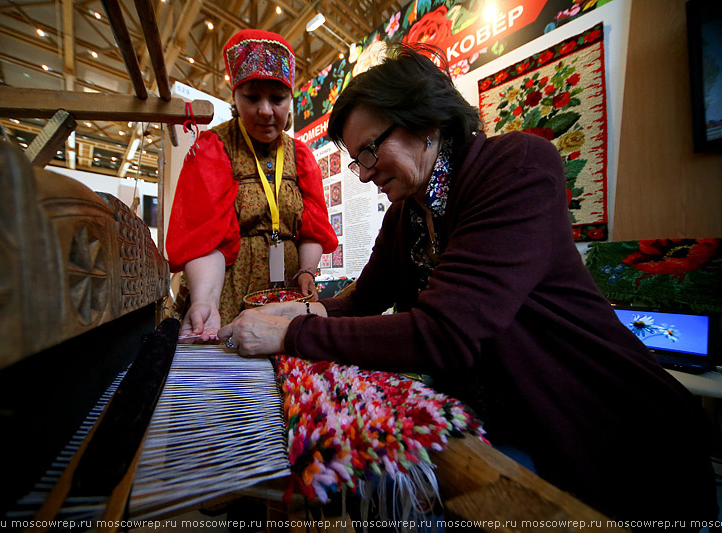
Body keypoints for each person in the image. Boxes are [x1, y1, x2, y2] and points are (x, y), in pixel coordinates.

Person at [219, 45, 718, 528]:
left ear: (426, 122)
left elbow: (443, 334)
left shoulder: (518, 167)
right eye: (357, 161)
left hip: (611, 426)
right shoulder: (406, 216)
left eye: (370, 151)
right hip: (520, 424)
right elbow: (359, 302)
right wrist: (293, 311)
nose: (367, 175)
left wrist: (290, 336)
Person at [167, 29, 338, 340]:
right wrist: (206, 300)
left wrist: (307, 272)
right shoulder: (214, 147)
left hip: (288, 286)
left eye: (277, 98)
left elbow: (312, 229)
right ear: (234, 96)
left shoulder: (301, 156)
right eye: (251, 97)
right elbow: (205, 238)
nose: (265, 110)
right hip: (227, 288)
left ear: (291, 99)